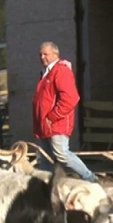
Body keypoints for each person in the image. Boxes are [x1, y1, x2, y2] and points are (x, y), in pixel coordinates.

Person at [32, 41, 99, 183]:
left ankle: (89, 177)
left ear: (55, 54)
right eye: (41, 54)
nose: (42, 57)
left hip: (56, 123)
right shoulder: (45, 73)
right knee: (44, 156)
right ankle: (48, 184)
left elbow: (71, 98)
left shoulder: (60, 70)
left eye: (46, 54)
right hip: (44, 124)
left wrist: (53, 116)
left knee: (61, 153)